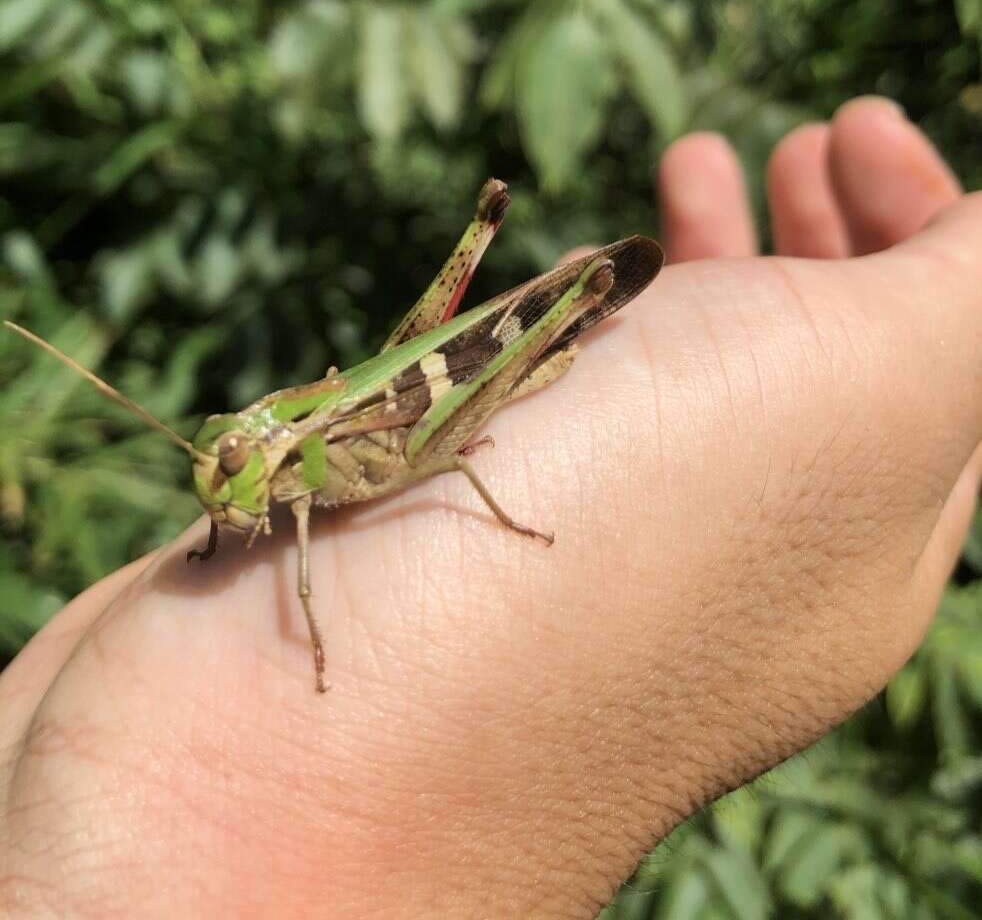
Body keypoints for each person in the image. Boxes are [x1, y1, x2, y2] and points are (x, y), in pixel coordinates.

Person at [1, 97, 979, 918]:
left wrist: (501, 530)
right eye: (219, 472)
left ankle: (566, 296)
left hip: (437, 407)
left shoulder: (306, 479)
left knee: (459, 410)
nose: (226, 486)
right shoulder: (267, 482)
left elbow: (383, 496)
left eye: (232, 467)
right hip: (383, 401)